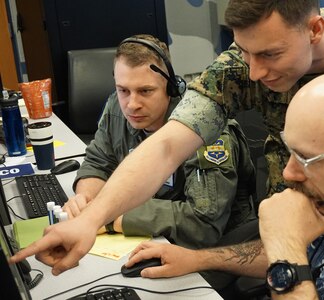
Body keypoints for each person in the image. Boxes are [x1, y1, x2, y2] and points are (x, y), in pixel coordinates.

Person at [10, 0, 324, 277]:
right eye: (244, 52)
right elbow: (169, 144)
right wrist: (87, 221)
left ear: (315, 29)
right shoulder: (238, 69)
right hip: (319, 189)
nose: (254, 73)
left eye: (269, 54)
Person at [123, 60, 324, 299]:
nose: (289, 173)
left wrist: (286, 248)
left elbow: (291, 251)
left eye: (308, 158)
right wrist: (197, 259)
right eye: (290, 153)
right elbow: (306, 252)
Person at [61, 33, 257, 250]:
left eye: (145, 91)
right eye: (123, 90)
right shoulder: (117, 107)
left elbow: (203, 223)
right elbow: (98, 162)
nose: (132, 104)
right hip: (154, 238)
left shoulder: (206, 128)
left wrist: (108, 217)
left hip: (219, 250)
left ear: (171, 88)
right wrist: (85, 202)